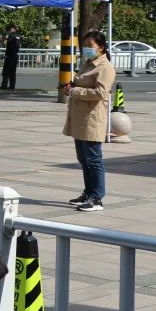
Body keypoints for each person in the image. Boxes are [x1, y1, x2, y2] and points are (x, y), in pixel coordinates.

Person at [63, 31, 116, 212]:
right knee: (84, 158)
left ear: (101, 47)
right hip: (80, 117)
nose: (86, 49)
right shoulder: (87, 63)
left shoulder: (105, 67)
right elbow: (82, 83)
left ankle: (97, 198)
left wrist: (75, 91)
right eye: (84, 45)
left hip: (92, 118)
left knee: (93, 159)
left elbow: (101, 93)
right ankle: (88, 192)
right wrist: (71, 86)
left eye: (90, 45)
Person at [1, 25, 21, 90]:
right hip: (15, 56)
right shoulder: (18, 36)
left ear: (12, 29)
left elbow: (6, 44)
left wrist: (6, 38)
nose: (8, 30)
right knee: (13, 72)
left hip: (9, 56)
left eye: (9, 29)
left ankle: (4, 85)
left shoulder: (10, 36)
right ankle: (12, 86)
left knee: (6, 71)